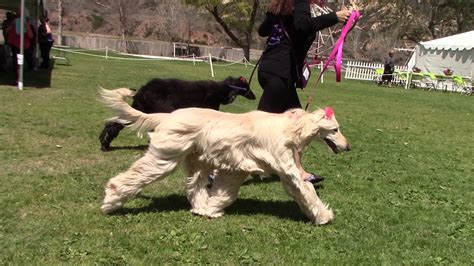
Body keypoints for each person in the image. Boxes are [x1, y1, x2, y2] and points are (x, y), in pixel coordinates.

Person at [256, 0, 351, 183]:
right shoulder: (299, 1)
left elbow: (263, 31)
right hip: (280, 74)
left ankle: (299, 171)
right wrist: (334, 17)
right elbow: (304, 25)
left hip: (270, 70)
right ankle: (218, 168)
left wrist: (274, 17)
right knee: (254, 129)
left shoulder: (281, 6)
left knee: (299, 123)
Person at [6, 10, 34, 85]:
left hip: (23, 46)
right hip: (16, 45)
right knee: (17, 63)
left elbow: (30, 35)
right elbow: (7, 31)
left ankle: (20, 77)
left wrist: (26, 27)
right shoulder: (15, 22)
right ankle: (17, 79)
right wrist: (12, 25)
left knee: (21, 62)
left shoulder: (26, 24)